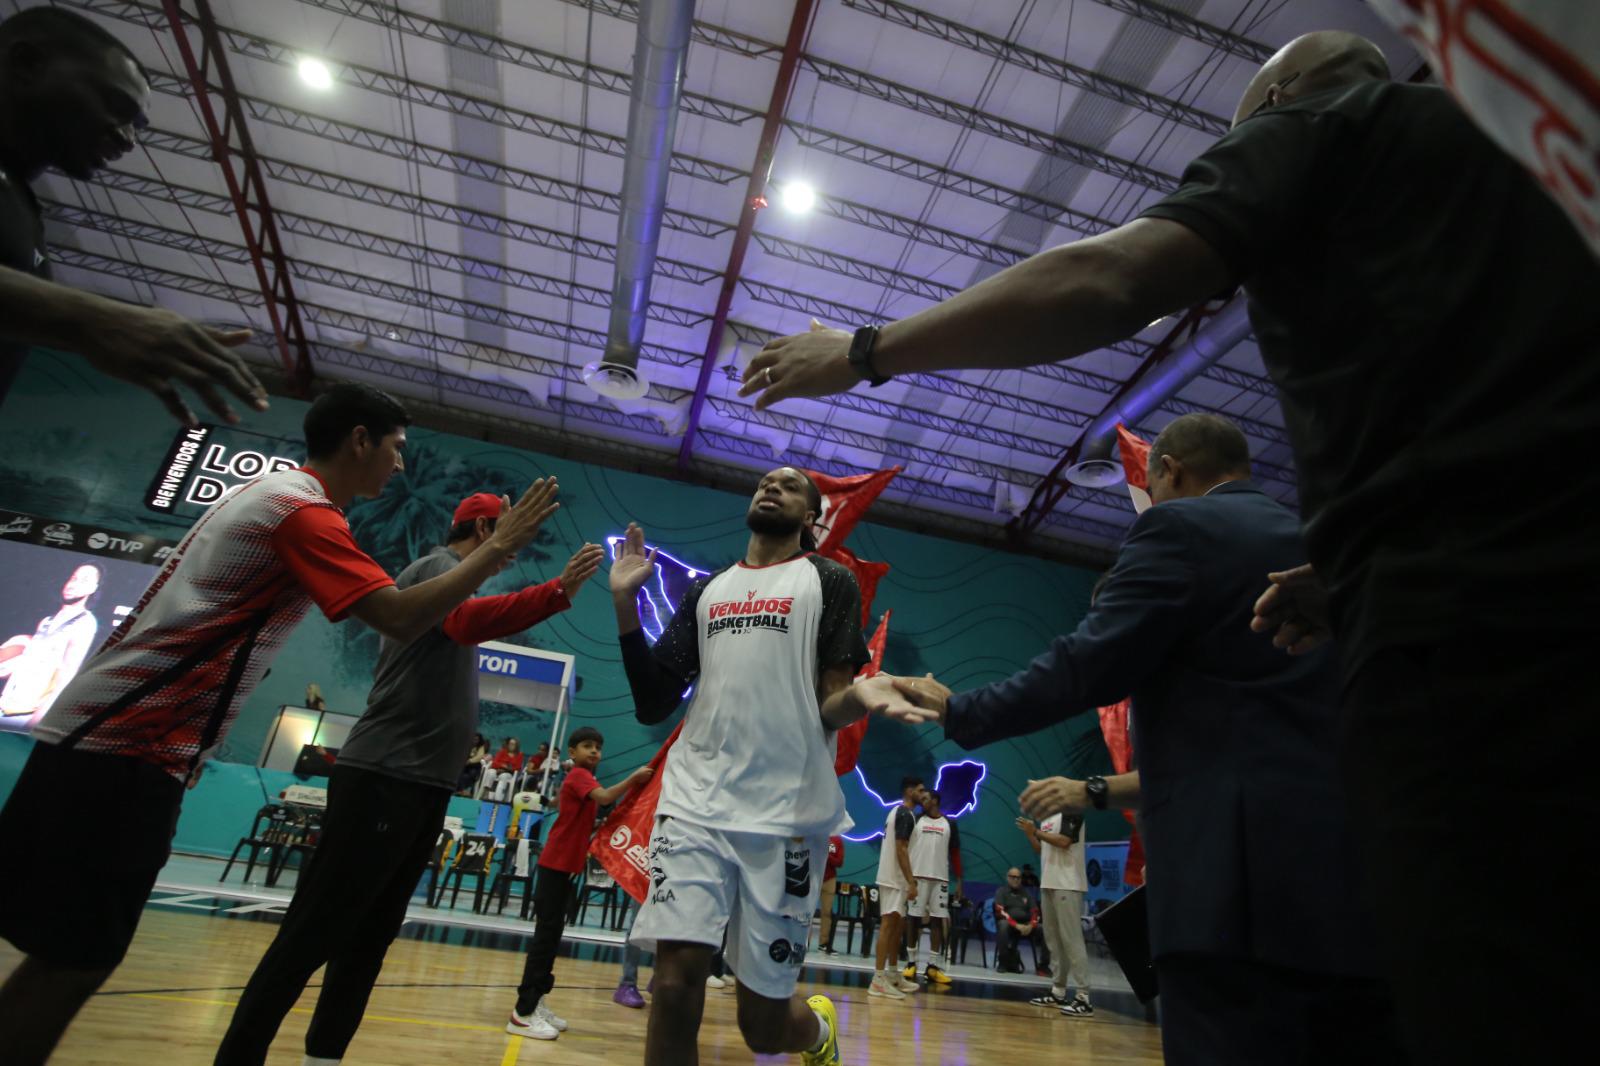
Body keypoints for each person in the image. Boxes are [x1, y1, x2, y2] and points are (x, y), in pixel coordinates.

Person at [745, 28, 1600, 1062]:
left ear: (1275, 100)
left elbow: (1110, 280)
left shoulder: (1319, 129)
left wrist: (866, 350)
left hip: (1360, 800)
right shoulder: (1546, 157)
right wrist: (1345, 564)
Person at [0, 382, 558, 1065]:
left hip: (117, 738)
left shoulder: (273, 496)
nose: (402, 465)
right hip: (127, 742)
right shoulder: (304, 515)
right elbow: (404, 615)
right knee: (74, 962)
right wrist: (501, 550)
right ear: (360, 440)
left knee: (67, 958)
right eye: (397, 448)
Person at [892, 415, 1399, 1064]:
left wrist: (962, 710)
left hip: (1230, 895)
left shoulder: (1179, 527)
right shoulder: (1322, 552)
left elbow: (1085, 664)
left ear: (1170, 472)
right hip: (1357, 886)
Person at [214, 496, 602, 1065]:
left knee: (370, 938)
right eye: (511, 530)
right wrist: (557, 592)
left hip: (419, 784)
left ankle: (323, 1057)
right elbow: (468, 621)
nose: (516, 548)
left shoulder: (457, 582)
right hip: (385, 775)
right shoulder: (436, 570)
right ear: (485, 527)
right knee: (313, 931)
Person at [609, 466, 926, 1066]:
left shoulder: (829, 582)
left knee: (760, 1026)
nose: (771, 487)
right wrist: (626, 605)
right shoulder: (709, 591)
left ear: (812, 518)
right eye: (764, 482)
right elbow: (654, 700)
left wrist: (860, 696)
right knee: (673, 987)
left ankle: (818, 1032)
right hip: (694, 804)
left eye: (789, 486)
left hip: (785, 816)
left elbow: (831, 700)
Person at [0, 7, 267, 424]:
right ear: (27, 64)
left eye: (137, 126)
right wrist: (91, 319)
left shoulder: (21, 206)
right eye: (116, 105)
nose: (127, 140)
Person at [505, 726, 652, 1040]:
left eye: (598, 747)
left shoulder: (582, 779)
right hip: (555, 869)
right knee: (545, 941)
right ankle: (522, 1012)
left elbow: (566, 805)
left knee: (552, 938)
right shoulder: (581, 776)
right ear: (572, 752)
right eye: (588, 746)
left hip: (562, 870)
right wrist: (634, 780)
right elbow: (605, 797)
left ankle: (537, 1001)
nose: (595, 752)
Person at [0, 562, 101, 725]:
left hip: (26, 716)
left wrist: (37, 721)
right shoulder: (46, 621)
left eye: (84, 580)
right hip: (5, 706)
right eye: (74, 578)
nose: (73, 584)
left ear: (93, 588)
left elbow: (67, 674)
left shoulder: (85, 623)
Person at [1020, 813, 1093, 1016]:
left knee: (1072, 939)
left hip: (1068, 883)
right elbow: (1041, 848)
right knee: (1053, 940)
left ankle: (1083, 996)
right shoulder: (1046, 819)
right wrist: (1030, 834)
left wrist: (1035, 831)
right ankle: (1058, 991)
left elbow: (1064, 841)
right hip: (1049, 882)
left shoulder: (1072, 810)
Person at [870, 776, 924, 1000]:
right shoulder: (904, 814)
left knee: (897, 925)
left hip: (895, 877)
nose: (923, 794)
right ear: (909, 791)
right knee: (888, 925)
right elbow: (901, 849)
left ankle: (892, 974)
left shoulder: (899, 812)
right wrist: (911, 881)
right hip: (894, 878)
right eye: (920, 790)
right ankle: (878, 980)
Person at [903, 789, 959, 987]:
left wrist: (959, 881)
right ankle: (910, 963)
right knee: (913, 919)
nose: (922, 801)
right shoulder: (916, 820)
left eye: (926, 798)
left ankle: (933, 967)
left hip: (941, 879)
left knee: (937, 920)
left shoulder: (949, 823)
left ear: (935, 801)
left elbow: (955, 853)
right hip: (918, 877)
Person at [993, 868, 1045, 976]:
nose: (1016, 880)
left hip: (1026, 926)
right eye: (1013, 877)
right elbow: (1000, 912)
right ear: (1007, 878)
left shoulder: (1026, 893)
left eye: (1018, 877)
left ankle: (1043, 966)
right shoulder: (1001, 892)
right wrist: (1016, 925)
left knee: (1045, 929)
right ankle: (1003, 962)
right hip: (1010, 925)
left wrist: (1031, 925)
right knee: (1002, 925)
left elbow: (1035, 911)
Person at [815, 834, 845, 955]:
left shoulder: (837, 840)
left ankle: (824, 943)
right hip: (814, 876)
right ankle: (803, 941)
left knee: (827, 912)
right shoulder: (817, 835)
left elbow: (840, 862)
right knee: (807, 911)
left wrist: (827, 856)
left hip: (830, 879)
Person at [486, 736, 524, 801]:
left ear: (516, 746)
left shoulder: (520, 755)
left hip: (508, 773)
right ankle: (488, 791)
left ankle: (498, 799)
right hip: (498, 770)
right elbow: (494, 763)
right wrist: (502, 766)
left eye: (513, 744)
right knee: (491, 772)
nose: (511, 746)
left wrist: (506, 769)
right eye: (510, 744)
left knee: (504, 776)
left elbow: (517, 768)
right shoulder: (502, 752)